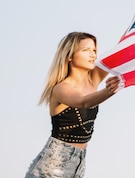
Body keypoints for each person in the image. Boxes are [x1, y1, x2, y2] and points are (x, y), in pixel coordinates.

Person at [25, 32, 121, 178]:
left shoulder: (92, 80)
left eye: (94, 50)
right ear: (69, 56)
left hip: (79, 164)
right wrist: (110, 91)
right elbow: (83, 102)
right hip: (52, 166)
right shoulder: (60, 88)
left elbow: (120, 51)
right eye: (86, 50)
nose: (93, 55)